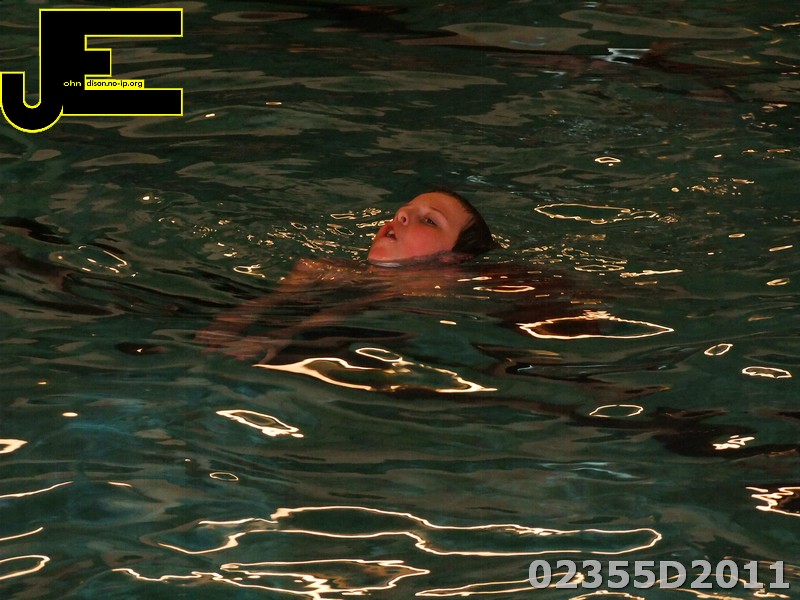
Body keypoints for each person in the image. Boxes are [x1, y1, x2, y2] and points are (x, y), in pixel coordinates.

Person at [196, 189, 501, 362]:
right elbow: (295, 288)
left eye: (430, 221)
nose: (401, 216)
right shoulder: (331, 267)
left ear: (454, 258)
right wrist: (240, 315)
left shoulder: (437, 286)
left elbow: (354, 307)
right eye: (404, 211)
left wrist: (278, 336)